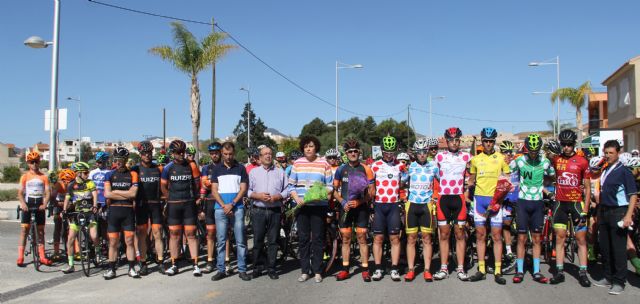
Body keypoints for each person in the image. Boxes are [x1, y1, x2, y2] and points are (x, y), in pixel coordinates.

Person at [591, 140, 638, 295]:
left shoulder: (624, 171)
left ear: (618, 153)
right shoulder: (605, 169)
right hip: (604, 212)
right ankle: (608, 276)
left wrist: (628, 216)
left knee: (618, 250)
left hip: (619, 212)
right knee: (605, 247)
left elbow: (632, 195)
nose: (608, 155)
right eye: (606, 152)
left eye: (611, 153)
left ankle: (619, 281)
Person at [509, 134, 555, 283]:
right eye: (531, 150)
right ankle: (520, 271)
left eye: (536, 150)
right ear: (527, 149)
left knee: (537, 238)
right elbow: (506, 172)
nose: (534, 153)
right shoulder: (520, 161)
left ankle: (536, 271)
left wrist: (547, 188)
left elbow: (553, 176)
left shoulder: (545, 162)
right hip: (523, 202)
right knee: (521, 238)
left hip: (537, 203)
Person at [549, 129, 592, 287]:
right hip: (560, 203)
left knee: (581, 239)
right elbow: (546, 169)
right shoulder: (556, 159)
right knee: (560, 238)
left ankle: (583, 272)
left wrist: (586, 210)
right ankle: (559, 272)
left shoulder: (582, 161)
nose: (566, 147)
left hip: (576, 204)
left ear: (574, 144)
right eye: (564, 144)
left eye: (569, 144)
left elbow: (587, 188)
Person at [467, 127, 510, 284]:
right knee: (480, 235)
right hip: (480, 200)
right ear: (481, 141)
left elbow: (507, 179)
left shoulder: (501, 158)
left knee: (497, 236)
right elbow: (472, 179)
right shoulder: (476, 160)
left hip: (496, 201)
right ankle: (482, 269)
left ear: (494, 142)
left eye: (491, 141)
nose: (488, 144)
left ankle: (498, 271)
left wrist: (501, 195)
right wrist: (467, 188)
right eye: (486, 141)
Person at [288, 136, 333, 283]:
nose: (308, 149)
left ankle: (318, 271)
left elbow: (330, 187)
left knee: (318, 239)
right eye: (306, 146)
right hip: (302, 207)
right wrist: (297, 199)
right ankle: (305, 271)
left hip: (318, 207)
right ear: (303, 148)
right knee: (303, 239)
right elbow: (291, 186)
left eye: (311, 146)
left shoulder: (324, 164)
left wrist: (320, 195)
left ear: (316, 148)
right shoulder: (297, 164)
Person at [333, 138, 375, 282]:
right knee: (345, 239)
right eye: (350, 151)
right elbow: (334, 191)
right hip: (345, 208)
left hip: (361, 208)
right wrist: (342, 201)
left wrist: (360, 201)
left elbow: (372, 192)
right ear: (346, 153)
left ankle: (365, 269)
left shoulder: (366, 169)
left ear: (359, 152)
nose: (353, 153)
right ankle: (345, 269)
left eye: (355, 151)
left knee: (362, 238)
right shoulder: (340, 169)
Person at [160, 140, 202, 276]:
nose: (182, 154)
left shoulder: (191, 166)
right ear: (172, 153)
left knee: (191, 234)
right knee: (174, 235)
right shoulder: (167, 168)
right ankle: (174, 264)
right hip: (174, 205)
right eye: (178, 152)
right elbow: (163, 187)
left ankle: (195, 264)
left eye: (183, 152)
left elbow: (197, 184)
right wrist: (170, 198)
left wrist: (193, 198)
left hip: (189, 204)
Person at [210, 142, 250, 281]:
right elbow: (214, 190)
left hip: (237, 208)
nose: (228, 157)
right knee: (221, 241)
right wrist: (224, 206)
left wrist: (232, 204)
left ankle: (242, 269)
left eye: (230, 154)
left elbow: (243, 189)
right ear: (221, 153)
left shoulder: (240, 168)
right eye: (225, 154)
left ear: (234, 153)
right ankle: (221, 269)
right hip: (220, 209)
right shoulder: (216, 170)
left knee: (240, 241)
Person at [248, 145, 289, 280]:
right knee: (258, 240)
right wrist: (257, 196)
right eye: (265, 154)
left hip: (274, 210)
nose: (268, 156)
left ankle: (272, 268)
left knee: (272, 241)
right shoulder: (253, 173)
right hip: (258, 210)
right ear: (260, 157)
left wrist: (278, 196)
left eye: (270, 154)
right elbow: (246, 191)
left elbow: (287, 190)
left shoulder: (280, 172)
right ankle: (258, 267)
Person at [370, 135, 405, 281]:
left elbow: (404, 185)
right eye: (386, 152)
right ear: (382, 151)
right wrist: (371, 206)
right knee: (378, 238)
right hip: (379, 205)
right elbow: (371, 188)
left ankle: (394, 268)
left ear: (396, 151)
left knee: (395, 238)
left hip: (393, 205)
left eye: (392, 153)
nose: (389, 155)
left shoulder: (400, 166)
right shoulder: (375, 165)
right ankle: (378, 269)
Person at [404, 138, 439, 282]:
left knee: (427, 238)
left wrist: (436, 197)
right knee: (411, 239)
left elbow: (442, 183)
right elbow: (400, 183)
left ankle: (427, 270)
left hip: (426, 205)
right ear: (415, 153)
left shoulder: (433, 166)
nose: (422, 155)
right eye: (419, 152)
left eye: (424, 152)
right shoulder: (410, 167)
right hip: (412, 205)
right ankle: (411, 269)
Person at [103, 147, 140, 279]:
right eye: (116, 159)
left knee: (129, 241)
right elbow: (107, 193)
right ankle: (111, 269)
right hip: (114, 211)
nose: (118, 162)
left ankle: (131, 268)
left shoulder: (133, 174)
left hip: (128, 211)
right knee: (113, 242)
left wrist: (115, 193)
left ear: (125, 160)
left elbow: (134, 194)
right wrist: (126, 194)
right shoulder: (109, 174)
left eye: (120, 159)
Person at [131, 141, 163, 275]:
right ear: (140, 154)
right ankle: (143, 263)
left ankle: (160, 261)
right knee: (142, 234)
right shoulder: (135, 170)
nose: (147, 155)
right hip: (141, 205)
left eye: (149, 153)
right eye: (144, 153)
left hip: (155, 205)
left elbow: (164, 186)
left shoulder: (158, 169)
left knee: (158, 233)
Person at [61, 162, 100, 274]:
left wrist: (95, 205)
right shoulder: (72, 185)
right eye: (85, 173)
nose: (87, 175)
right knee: (70, 239)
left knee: (94, 235)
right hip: (77, 213)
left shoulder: (90, 183)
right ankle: (71, 264)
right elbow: (67, 198)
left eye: (87, 172)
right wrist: (64, 210)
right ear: (78, 173)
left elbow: (94, 195)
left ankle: (97, 253)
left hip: (89, 213)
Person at [16, 151, 52, 267]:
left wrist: (45, 203)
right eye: (32, 162)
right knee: (24, 231)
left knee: (41, 232)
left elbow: (48, 192)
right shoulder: (25, 177)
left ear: (39, 162)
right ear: (28, 163)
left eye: (36, 161)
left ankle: (42, 256)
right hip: (28, 204)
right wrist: (23, 204)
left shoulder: (44, 177)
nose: (34, 164)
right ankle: (20, 256)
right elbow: (20, 193)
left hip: (39, 204)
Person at [200, 141, 222, 273]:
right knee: (210, 233)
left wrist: (210, 183)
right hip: (209, 202)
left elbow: (209, 183)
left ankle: (224, 260)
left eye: (216, 153)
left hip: (222, 202)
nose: (214, 155)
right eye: (212, 153)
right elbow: (204, 184)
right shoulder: (205, 168)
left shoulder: (225, 166)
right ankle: (210, 261)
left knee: (224, 233)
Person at [499, 140, 518, 273]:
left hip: (518, 197)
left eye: (511, 152)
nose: (509, 154)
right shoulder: (499, 164)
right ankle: (508, 250)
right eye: (506, 152)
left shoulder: (517, 164)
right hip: (505, 199)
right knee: (506, 224)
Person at [51, 169, 75, 261]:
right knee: (57, 227)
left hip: (70, 205)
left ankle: (74, 250)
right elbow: (52, 197)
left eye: (71, 181)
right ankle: (56, 251)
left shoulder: (74, 185)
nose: (68, 183)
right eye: (66, 181)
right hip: (58, 205)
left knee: (72, 228)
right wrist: (57, 204)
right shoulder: (58, 185)